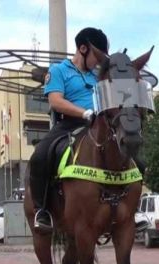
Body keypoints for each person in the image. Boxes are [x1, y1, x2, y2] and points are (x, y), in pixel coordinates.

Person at [29, 27, 109, 232]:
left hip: (99, 125)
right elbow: (55, 101)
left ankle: (129, 211)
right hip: (69, 125)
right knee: (39, 156)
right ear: (82, 49)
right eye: (96, 55)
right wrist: (84, 113)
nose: (99, 61)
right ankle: (42, 211)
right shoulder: (58, 70)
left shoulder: (98, 75)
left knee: (132, 155)